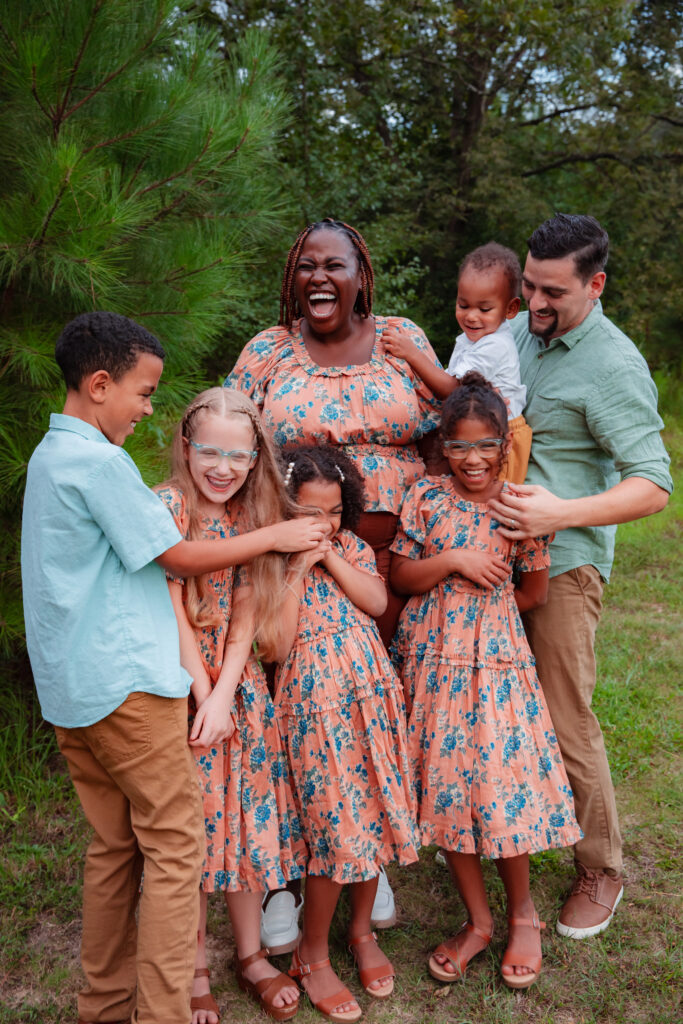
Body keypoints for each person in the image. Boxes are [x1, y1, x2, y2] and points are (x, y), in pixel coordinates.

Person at [20, 312, 327, 1024]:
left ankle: (102, 1005)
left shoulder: (49, 455)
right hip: (125, 687)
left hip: (73, 688)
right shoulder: (100, 464)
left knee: (115, 847)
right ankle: (160, 1012)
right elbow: (176, 558)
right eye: (144, 391)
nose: (149, 407)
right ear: (100, 385)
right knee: (176, 847)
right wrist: (277, 534)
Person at [226, 217, 442, 937]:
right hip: (295, 572)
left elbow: (450, 425)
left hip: (398, 567)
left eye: (335, 264)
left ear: (361, 276)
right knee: (294, 715)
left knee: (377, 711)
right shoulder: (267, 350)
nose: (318, 276)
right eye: (306, 265)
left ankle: (368, 857)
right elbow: (230, 441)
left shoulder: (400, 338)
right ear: (294, 276)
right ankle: (287, 875)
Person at [488, 214, 672, 939]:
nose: (533, 301)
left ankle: (600, 868)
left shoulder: (613, 364)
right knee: (496, 703)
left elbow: (652, 485)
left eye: (551, 292)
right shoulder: (517, 333)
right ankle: (503, 832)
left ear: (594, 286)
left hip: (563, 566)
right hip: (492, 560)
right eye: (529, 283)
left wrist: (559, 513)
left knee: (565, 719)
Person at [389, 372, 581, 989]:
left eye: (484, 445)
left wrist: (481, 623)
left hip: (495, 667)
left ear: (504, 443)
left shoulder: (525, 505)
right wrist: (452, 563)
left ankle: (523, 913)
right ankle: (478, 921)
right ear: (442, 446)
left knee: (498, 787)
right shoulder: (425, 500)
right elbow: (400, 578)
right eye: (458, 446)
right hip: (430, 664)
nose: (472, 459)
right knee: (445, 789)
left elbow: (533, 591)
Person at [156, 388, 307, 1024]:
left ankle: (250, 957)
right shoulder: (167, 506)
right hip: (178, 680)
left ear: (255, 460)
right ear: (186, 448)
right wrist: (201, 693)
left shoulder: (252, 512)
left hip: (235, 687)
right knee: (190, 832)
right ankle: (191, 973)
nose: (222, 467)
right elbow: (170, 608)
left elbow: (247, 610)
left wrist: (226, 691)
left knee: (245, 818)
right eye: (209, 452)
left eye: (237, 456)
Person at [275, 445, 419, 1023]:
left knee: (375, 815)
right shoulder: (274, 560)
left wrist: (332, 558)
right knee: (337, 824)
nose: (321, 525)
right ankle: (311, 954)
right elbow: (277, 645)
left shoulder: (354, 549)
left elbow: (377, 600)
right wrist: (298, 567)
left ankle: (360, 933)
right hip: (316, 710)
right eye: (308, 512)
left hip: (370, 699)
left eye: (332, 512)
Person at [384, 242, 532, 483]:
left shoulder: (494, 345)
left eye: (484, 309)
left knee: (494, 506)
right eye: (463, 305)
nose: (471, 316)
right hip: (477, 429)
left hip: (500, 436)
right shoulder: (474, 338)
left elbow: (451, 389)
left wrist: (411, 353)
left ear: (511, 308)